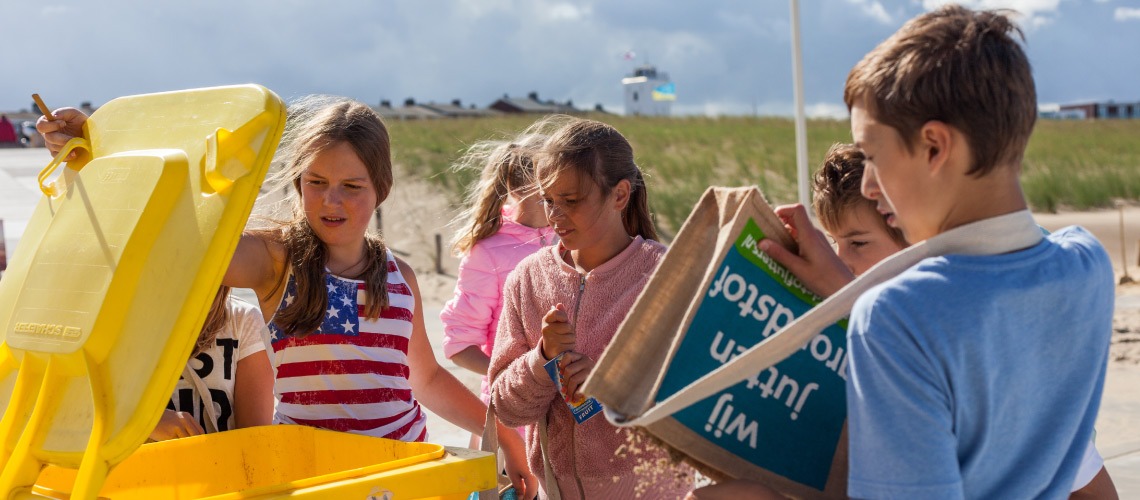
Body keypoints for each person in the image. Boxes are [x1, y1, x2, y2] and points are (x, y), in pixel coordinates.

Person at [38, 95, 536, 498]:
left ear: (380, 189)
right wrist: (97, 165)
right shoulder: (274, 260)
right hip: (313, 478)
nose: (331, 200)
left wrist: (507, 439)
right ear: (299, 182)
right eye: (316, 182)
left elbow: (424, 378)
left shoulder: (399, 275)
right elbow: (173, 242)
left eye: (351, 186)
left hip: (400, 477)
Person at [761, 6, 1114, 498]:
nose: (869, 185)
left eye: (874, 156)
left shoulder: (893, 319)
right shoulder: (1087, 264)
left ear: (934, 147)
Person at [488, 116, 692, 498]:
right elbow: (505, 409)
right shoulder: (527, 279)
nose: (555, 214)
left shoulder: (666, 277)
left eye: (571, 200)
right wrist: (542, 359)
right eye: (549, 200)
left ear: (619, 195)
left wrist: (609, 386)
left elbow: (699, 401)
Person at [440, 133, 555, 446]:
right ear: (520, 188)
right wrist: (515, 375)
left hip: (564, 417)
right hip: (510, 420)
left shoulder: (571, 240)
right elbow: (460, 344)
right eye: (553, 181)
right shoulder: (488, 252)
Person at [151, 286, 275, 441]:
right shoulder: (129, 321)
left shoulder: (243, 319)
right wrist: (150, 424)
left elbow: (253, 441)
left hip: (222, 463)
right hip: (144, 464)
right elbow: (111, 413)